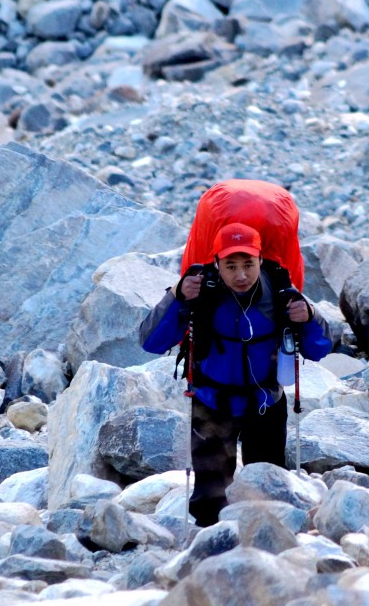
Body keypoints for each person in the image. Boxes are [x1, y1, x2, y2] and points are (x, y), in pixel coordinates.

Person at [139, 222, 332, 527]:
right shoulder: (199, 292)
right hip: (212, 404)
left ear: (259, 260)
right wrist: (176, 295)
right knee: (209, 501)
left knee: (268, 494)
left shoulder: (280, 292)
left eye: (248, 264)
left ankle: (269, 557)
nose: (241, 275)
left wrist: (309, 317)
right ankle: (209, 554)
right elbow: (151, 341)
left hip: (265, 403)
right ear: (216, 263)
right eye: (231, 265)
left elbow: (320, 349)